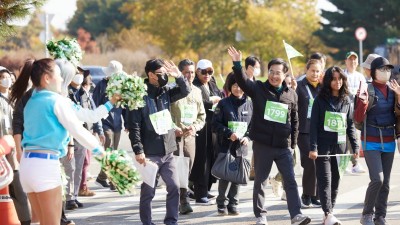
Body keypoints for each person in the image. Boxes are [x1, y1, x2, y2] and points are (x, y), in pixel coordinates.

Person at [11, 58, 106, 225]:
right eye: (59, 75)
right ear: (47, 78)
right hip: (45, 166)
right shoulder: (56, 100)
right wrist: (100, 151)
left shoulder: (31, 100)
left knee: (36, 220)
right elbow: (77, 130)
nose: (62, 79)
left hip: (27, 165)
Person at [228, 46, 311, 225]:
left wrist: (293, 143)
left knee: (290, 181)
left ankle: (296, 215)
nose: (274, 76)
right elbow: (242, 82)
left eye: (278, 72)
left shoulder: (291, 95)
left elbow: (295, 120)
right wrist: (237, 63)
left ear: (285, 74)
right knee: (261, 182)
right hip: (263, 144)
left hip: (283, 146)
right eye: (271, 72)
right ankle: (260, 216)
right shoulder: (258, 89)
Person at [126, 59, 190, 225]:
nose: (164, 77)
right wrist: (138, 150)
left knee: (175, 187)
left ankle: (171, 221)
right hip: (149, 153)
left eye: (165, 74)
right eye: (161, 74)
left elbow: (185, 91)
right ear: (151, 75)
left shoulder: (165, 92)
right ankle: (147, 222)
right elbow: (133, 127)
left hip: (168, 150)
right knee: (148, 191)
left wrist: (178, 76)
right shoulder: (138, 96)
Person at [309, 66, 359, 225]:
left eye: (340, 79)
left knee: (336, 182)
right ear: (328, 80)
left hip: (341, 147)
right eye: (334, 79)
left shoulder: (347, 99)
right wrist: (313, 147)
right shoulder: (319, 99)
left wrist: (355, 147)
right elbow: (314, 126)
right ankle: (328, 213)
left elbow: (350, 125)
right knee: (325, 181)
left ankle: (328, 214)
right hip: (323, 148)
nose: (337, 82)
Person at [354, 57, 398, 225]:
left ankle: (380, 216)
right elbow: (357, 118)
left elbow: (398, 115)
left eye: (388, 69)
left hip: (389, 140)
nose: (386, 71)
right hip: (370, 140)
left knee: (385, 183)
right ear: (373, 72)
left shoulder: (393, 90)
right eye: (382, 68)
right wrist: (363, 103)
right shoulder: (367, 88)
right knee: (377, 179)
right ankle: (366, 214)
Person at [212, 73, 252, 216]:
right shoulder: (223, 104)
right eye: (234, 85)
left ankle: (233, 204)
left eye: (240, 86)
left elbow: (254, 126)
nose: (237, 89)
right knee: (225, 175)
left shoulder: (250, 103)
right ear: (230, 87)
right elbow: (214, 124)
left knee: (237, 176)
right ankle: (221, 203)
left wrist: (248, 137)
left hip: (242, 147)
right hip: (226, 145)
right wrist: (229, 133)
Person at [170, 59, 206, 214]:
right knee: (176, 169)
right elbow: (164, 114)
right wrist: (173, 129)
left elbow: (201, 116)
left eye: (192, 72)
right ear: (179, 73)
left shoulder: (197, 91)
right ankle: (182, 200)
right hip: (174, 137)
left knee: (187, 168)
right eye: (186, 72)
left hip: (190, 137)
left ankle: (182, 196)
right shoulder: (171, 90)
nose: (190, 75)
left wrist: (195, 127)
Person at [190, 59, 224, 205]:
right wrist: (211, 102)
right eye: (203, 72)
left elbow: (220, 96)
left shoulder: (211, 83)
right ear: (197, 72)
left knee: (212, 157)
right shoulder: (194, 85)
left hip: (213, 126)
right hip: (200, 126)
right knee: (201, 160)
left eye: (210, 72)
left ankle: (206, 189)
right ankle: (199, 193)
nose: (206, 75)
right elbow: (195, 103)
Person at [0, 68, 31, 225]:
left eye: (7, 77)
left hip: (12, 146)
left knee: (17, 186)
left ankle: (25, 219)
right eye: (3, 77)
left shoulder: (14, 98)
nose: (7, 80)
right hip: (1, 148)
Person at [94, 60, 125, 191]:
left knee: (113, 152)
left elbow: (125, 107)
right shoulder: (101, 85)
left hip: (117, 123)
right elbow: (94, 106)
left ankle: (101, 177)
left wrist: (128, 123)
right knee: (110, 151)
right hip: (105, 123)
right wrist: (97, 127)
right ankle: (113, 181)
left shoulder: (121, 86)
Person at [343, 51, 366, 174]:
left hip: (356, 113)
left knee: (354, 138)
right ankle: (345, 163)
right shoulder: (342, 75)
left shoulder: (360, 77)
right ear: (345, 61)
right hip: (343, 112)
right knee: (344, 139)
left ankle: (355, 163)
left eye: (354, 60)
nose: (352, 62)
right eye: (350, 59)